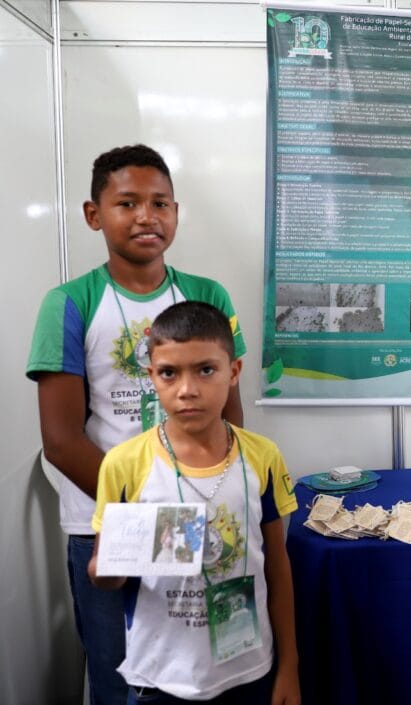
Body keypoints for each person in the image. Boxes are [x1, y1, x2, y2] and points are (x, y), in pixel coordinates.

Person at [26, 144, 246, 704]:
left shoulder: (206, 296)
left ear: (176, 211)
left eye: (160, 203)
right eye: (127, 203)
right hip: (107, 521)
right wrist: (146, 515)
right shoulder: (70, 303)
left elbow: (231, 411)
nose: (147, 216)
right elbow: (60, 440)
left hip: (203, 512)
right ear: (94, 214)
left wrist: (202, 503)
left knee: (203, 670)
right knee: (122, 677)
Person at [88, 301, 299, 704]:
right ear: (151, 376)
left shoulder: (262, 456)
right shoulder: (124, 464)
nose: (187, 389)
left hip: (249, 671)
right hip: (160, 677)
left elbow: (277, 563)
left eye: (206, 369)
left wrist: (289, 665)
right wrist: (107, 572)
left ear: (233, 371)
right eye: (169, 373)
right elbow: (106, 570)